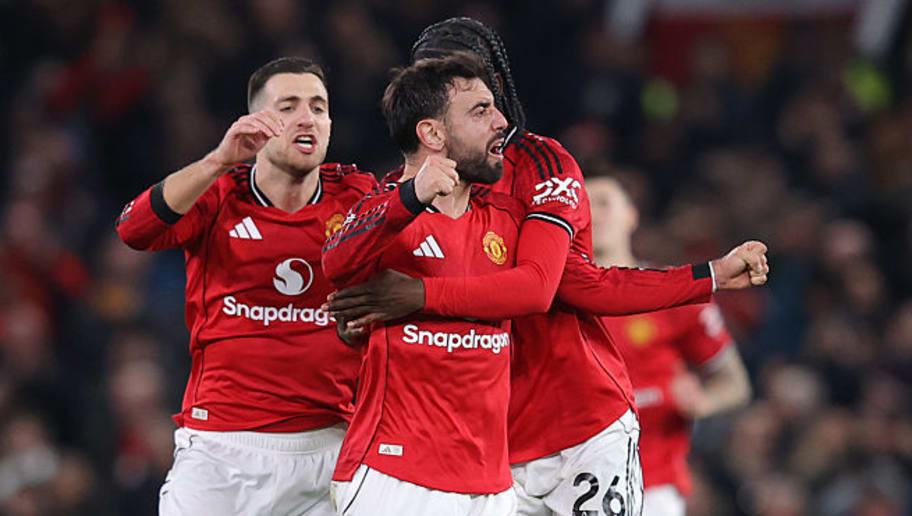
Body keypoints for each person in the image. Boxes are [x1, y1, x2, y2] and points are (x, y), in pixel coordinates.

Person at [323, 17, 769, 516]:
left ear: (494, 84)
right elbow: (350, 279)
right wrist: (361, 323)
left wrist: (709, 275)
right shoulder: (406, 195)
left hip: (579, 427)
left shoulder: (542, 166)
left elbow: (566, 285)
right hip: (484, 449)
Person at [115, 56, 377, 516]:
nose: (307, 118)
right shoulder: (218, 194)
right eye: (289, 106)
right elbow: (134, 230)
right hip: (220, 447)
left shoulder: (356, 196)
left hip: (327, 446)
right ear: (256, 122)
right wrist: (218, 160)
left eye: (318, 107)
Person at [322, 53, 524, 516]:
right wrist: (411, 195)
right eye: (480, 111)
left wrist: (697, 279)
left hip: (492, 486)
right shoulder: (386, 213)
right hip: (395, 477)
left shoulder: (507, 220)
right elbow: (336, 260)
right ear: (432, 134)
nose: (501, 122)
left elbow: (550, 289)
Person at [589, 176, 752, 516]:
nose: (594, 214)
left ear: (631, 214)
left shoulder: (674, 292)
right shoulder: (548, 302)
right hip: (570, 483)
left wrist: (702, 401)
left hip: (654, 485)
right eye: (584, 205)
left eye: (604, 203)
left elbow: (735, 383)